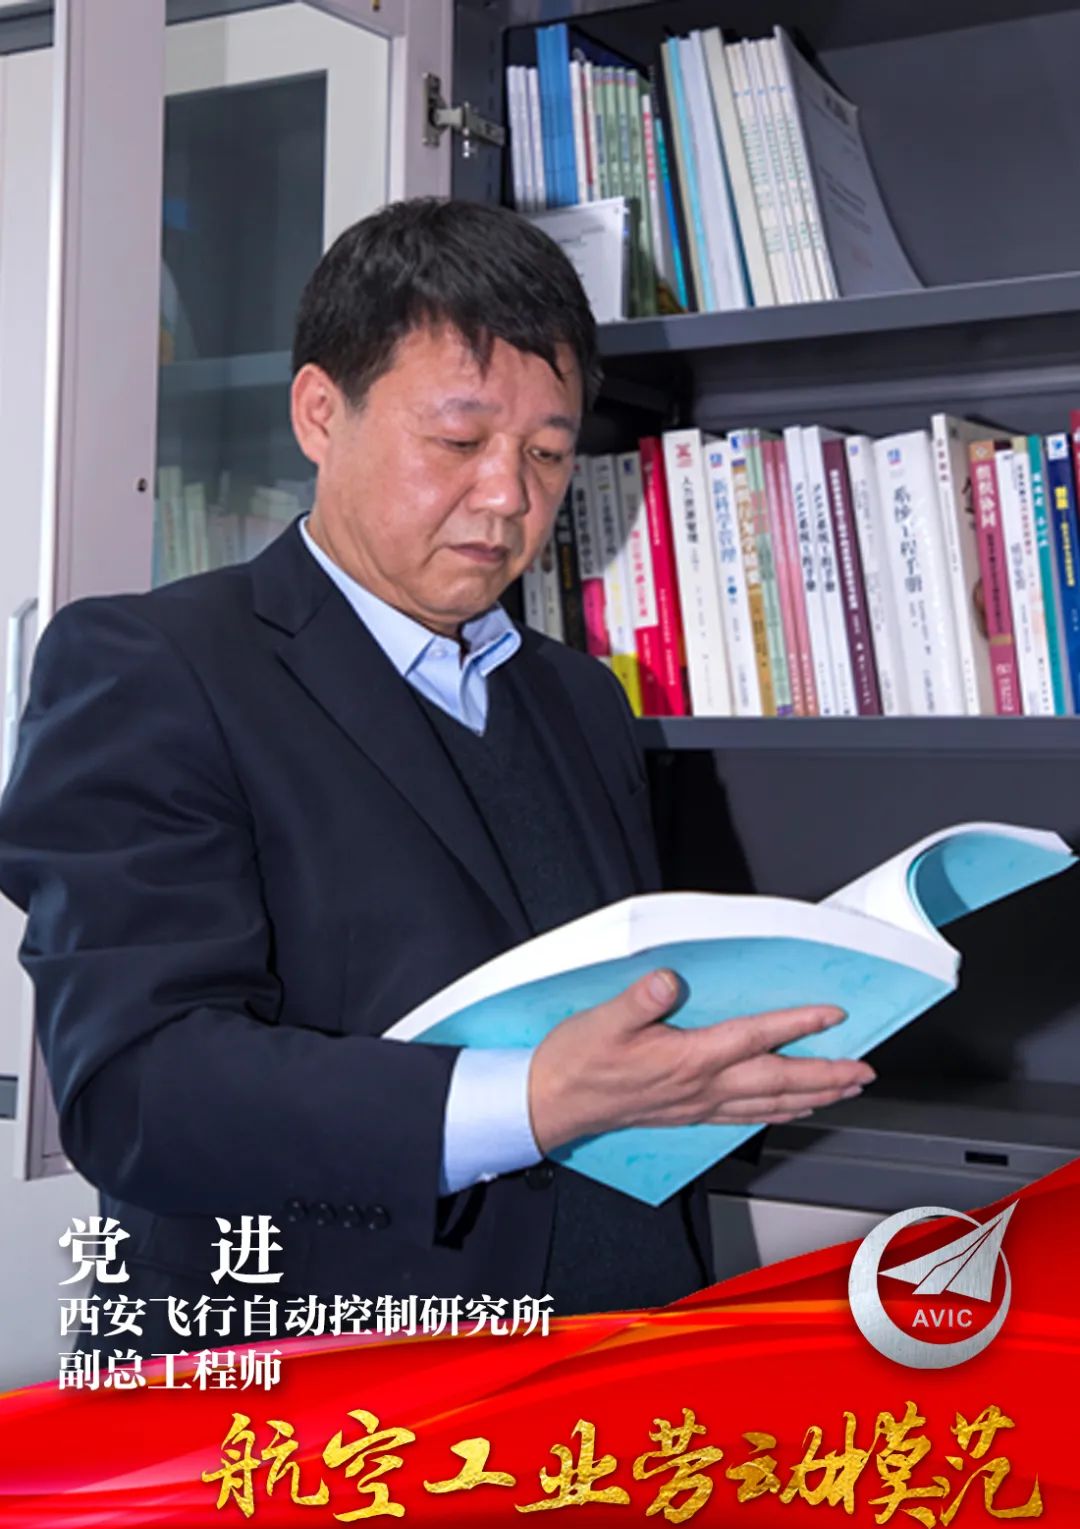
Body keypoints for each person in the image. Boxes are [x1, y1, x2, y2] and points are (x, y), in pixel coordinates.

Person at [0, 199, 872, 1346]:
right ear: (321, 412)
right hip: (319, 1379)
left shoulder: (579, 698)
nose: (509, 495)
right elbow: (140, 1092)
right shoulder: (153, 665)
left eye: (547, 452)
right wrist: (534, 1099)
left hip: (616, 1346)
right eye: (461, 441)